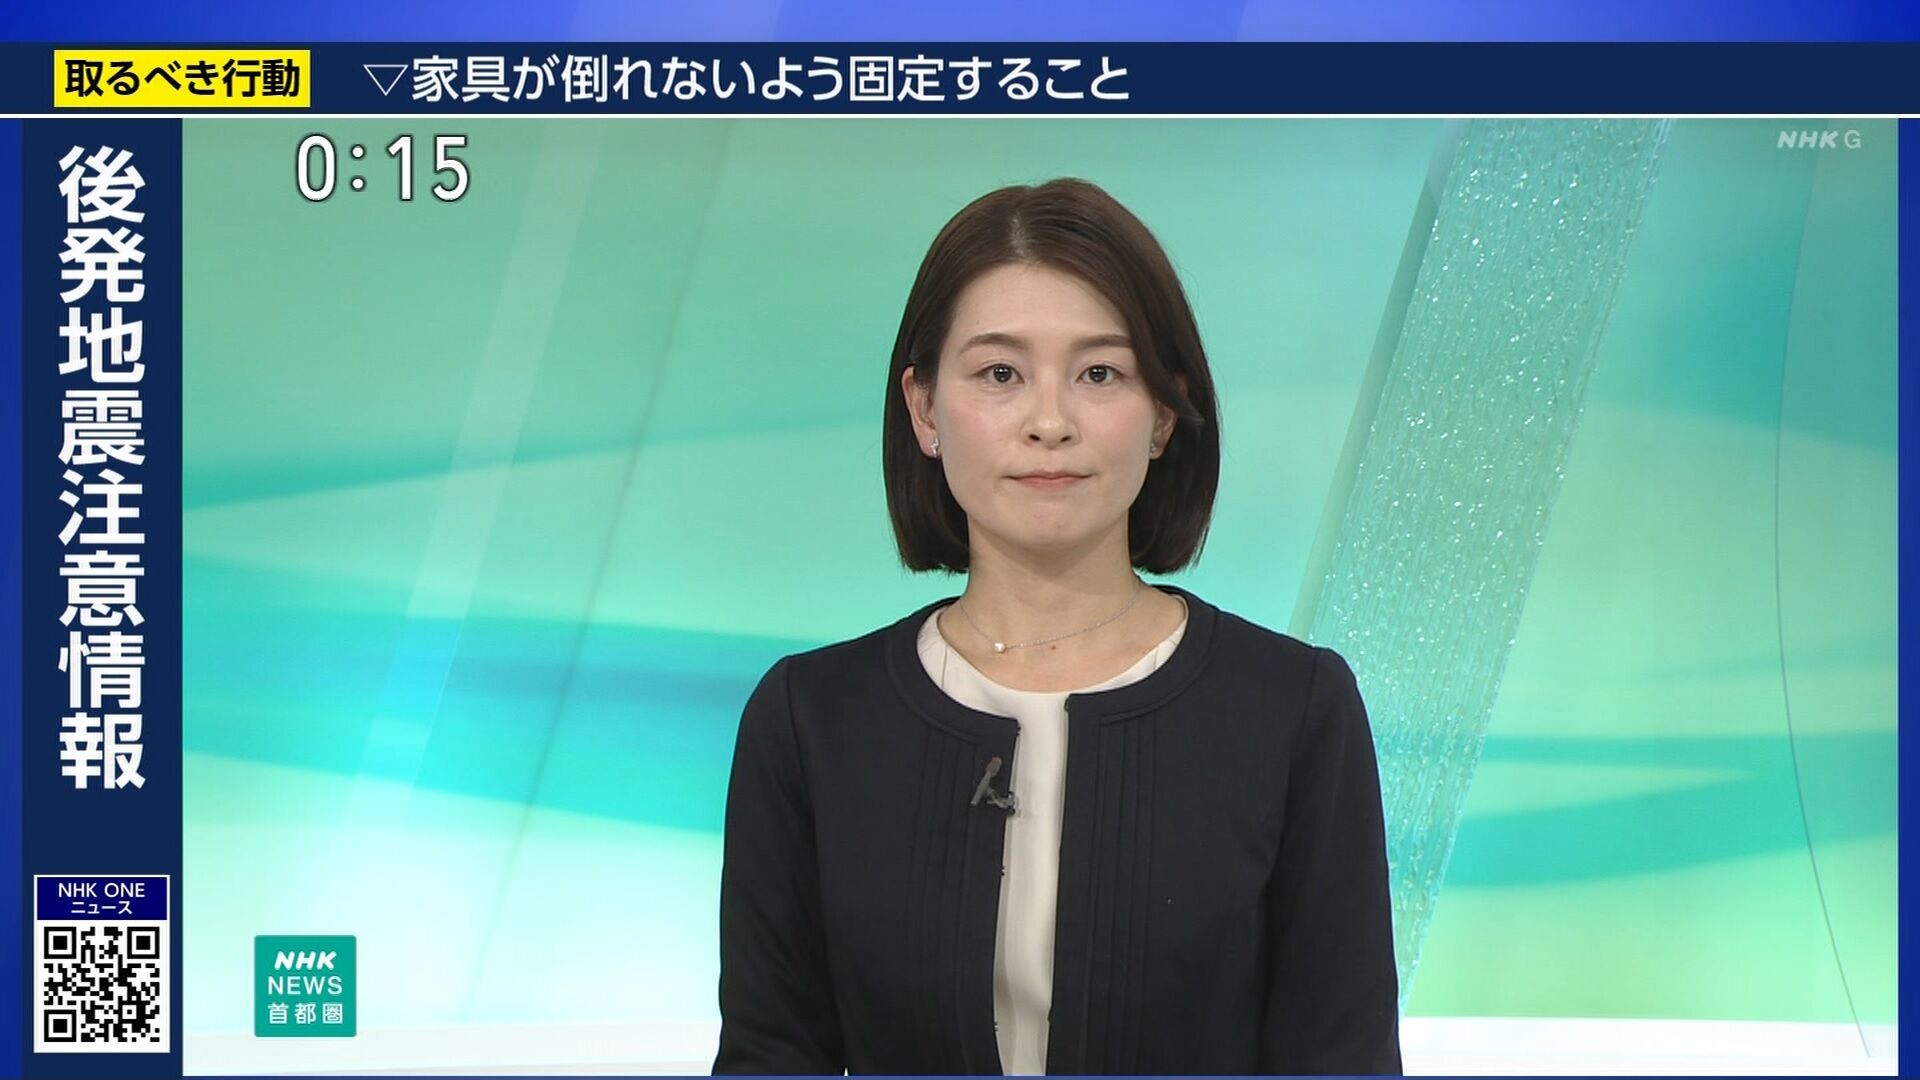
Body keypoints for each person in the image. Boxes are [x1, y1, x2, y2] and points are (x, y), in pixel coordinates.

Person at [713, 178, 1401, 1076]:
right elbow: (771, 1054)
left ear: (1164, 413)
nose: (1049, 423)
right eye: (1000, 374)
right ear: (924, 409)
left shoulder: (1293, 710)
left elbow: (1341, 1056)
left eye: (1099, 374)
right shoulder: (811, 721)